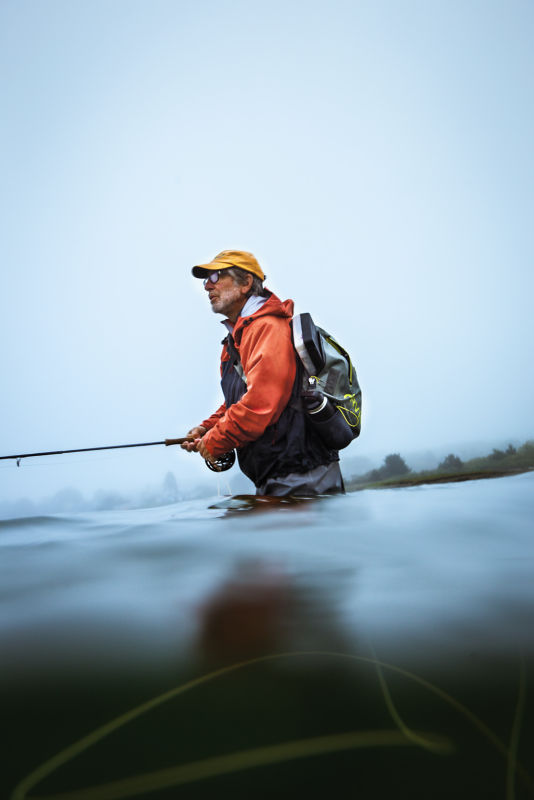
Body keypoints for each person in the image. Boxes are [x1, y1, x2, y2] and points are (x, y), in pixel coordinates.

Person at [181, 250, 344, 496]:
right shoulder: (236, 339)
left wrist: (215, 441)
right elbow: (239, 401)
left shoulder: (267, 328)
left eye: (215, 277)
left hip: (302, 477)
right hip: (279, 477)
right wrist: (207, 429)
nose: (207, 287)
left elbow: (260, 404)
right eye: (206, 280)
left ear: (246, 283)